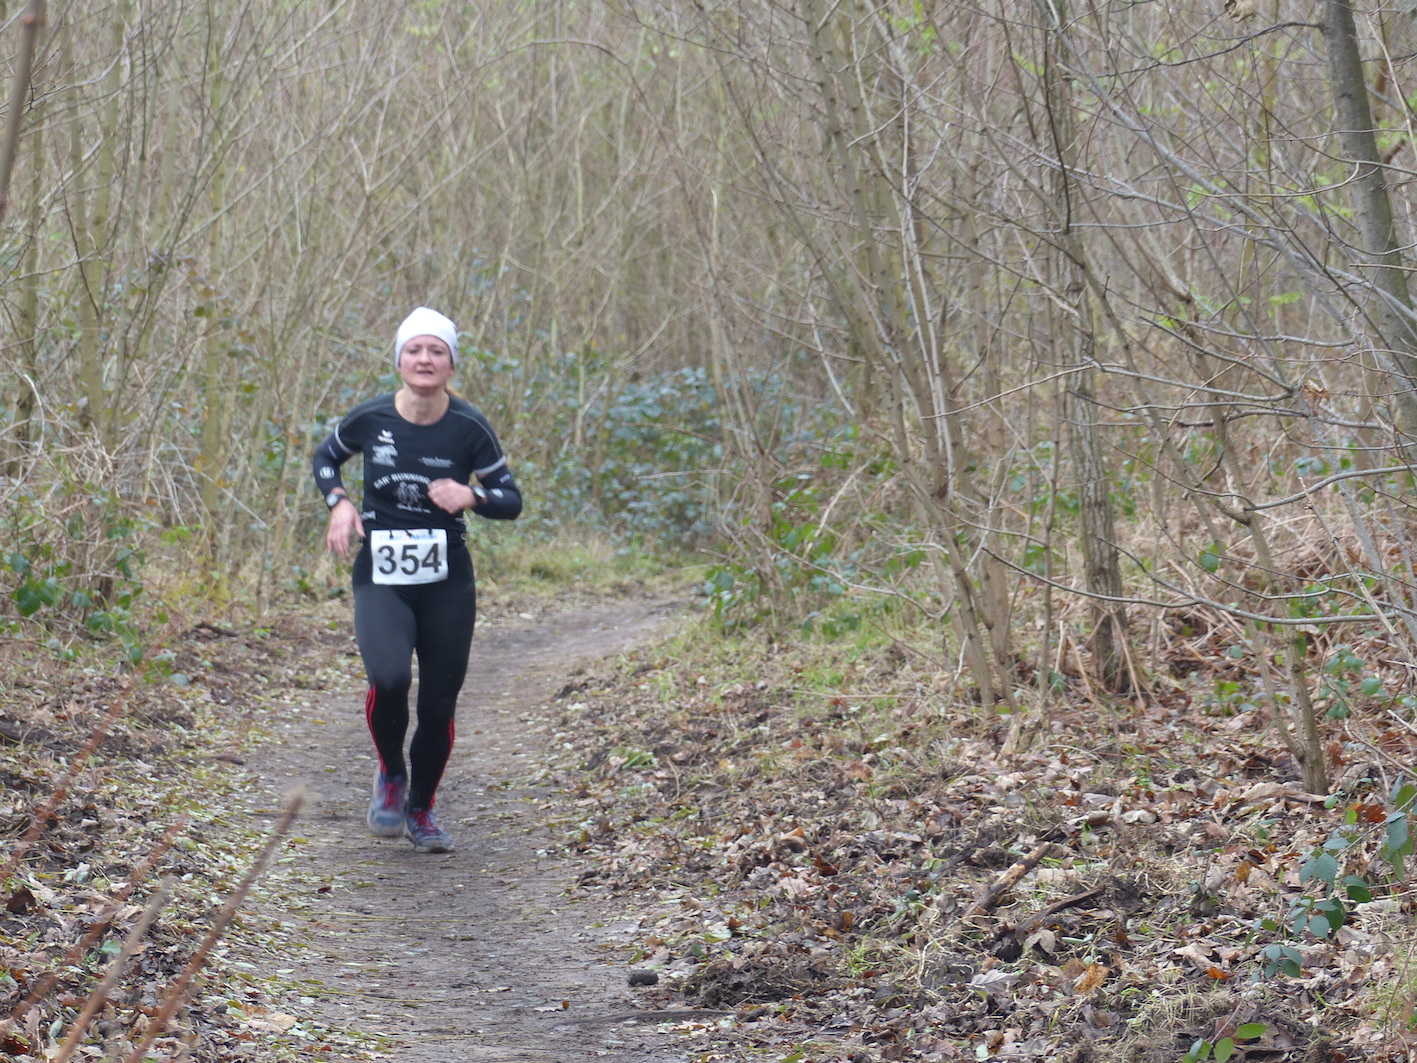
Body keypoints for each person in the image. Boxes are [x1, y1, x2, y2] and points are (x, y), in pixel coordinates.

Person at [312, 306, 522, 853]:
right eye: (414, 349)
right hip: (382, 570)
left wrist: (472, 495)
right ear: (399, 360)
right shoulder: (371, 417)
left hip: (447, 579)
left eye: (436, 351)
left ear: (451, 365)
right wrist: (339, 503)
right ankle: (391, 774)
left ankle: (421, 809)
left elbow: (511, 499)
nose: (424, 359)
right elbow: (326, 458)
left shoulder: (469, 427)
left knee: (437, 704)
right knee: (388, 679)